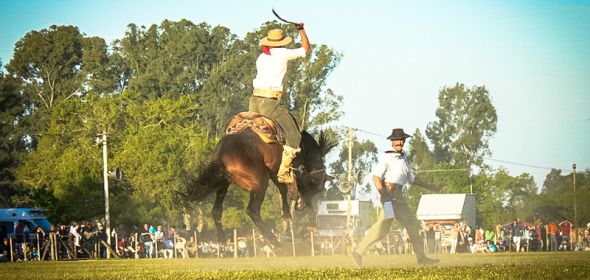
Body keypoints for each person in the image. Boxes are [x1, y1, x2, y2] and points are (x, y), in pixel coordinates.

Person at [351, 128, 441, 266]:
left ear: (404, 141)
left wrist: (429, 186)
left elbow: (411, 178)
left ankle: (421, 257)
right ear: (392, 142)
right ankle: (358, 252)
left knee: (402, 224)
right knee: (390, 226)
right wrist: (384, 195)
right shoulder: (386, 157)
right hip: (389, 195)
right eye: (397, 140)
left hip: (398, 197)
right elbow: (375, 177)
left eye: (401, 139)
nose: (399, 142)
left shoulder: (404, 157)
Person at [249, 24, 310, 184]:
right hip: (269, 102)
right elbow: (306, 49)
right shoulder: (282, 53)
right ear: (282, 41)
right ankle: (283, 172)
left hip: (254, 101)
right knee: (294, 135)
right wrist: (301, 30)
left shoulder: (261, 57)